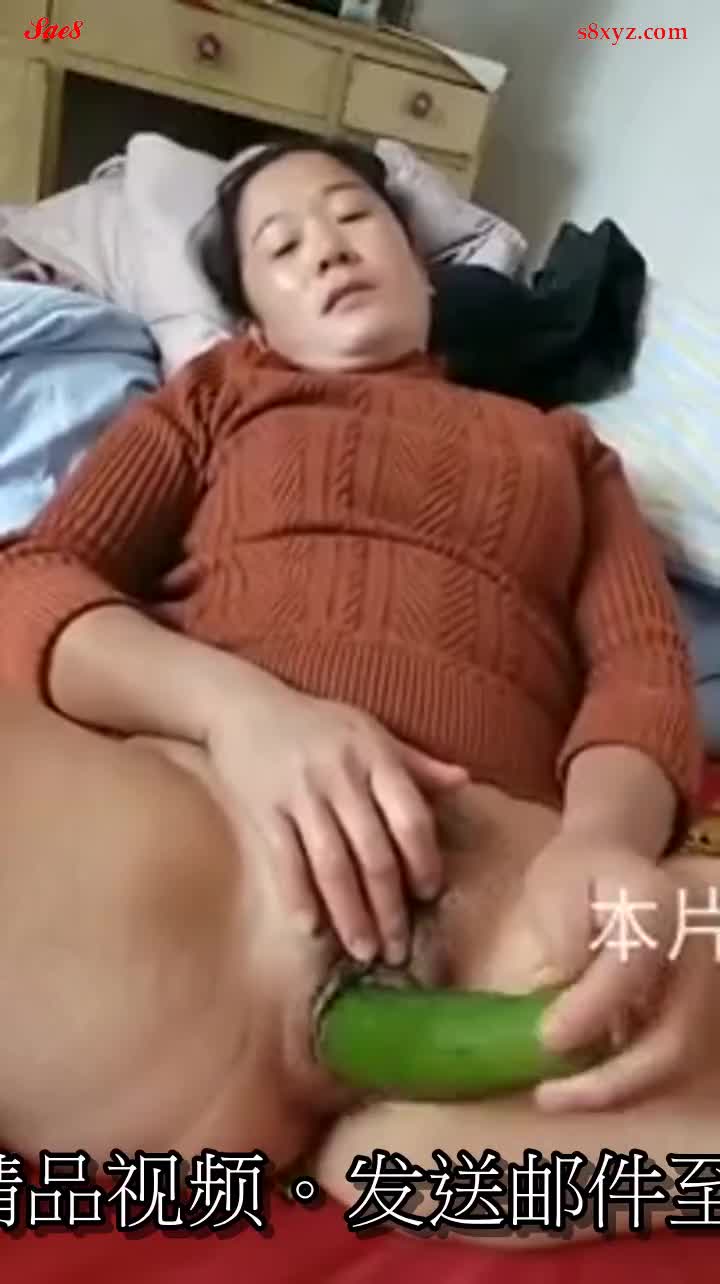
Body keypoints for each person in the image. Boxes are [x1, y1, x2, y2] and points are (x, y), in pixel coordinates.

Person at [0, 138, 714, 1249]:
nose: (327, 250)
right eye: (281, 247)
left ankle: (425, 1146)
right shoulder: (215, 396)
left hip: (505, 898)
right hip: (201, 863)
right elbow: (38, 579)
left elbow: (642, 673)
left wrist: (605, 843)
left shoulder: (568, 452)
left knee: (690, 925)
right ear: (253, 322)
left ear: (422, 266)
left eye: (352, 216)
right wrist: (245, 716)